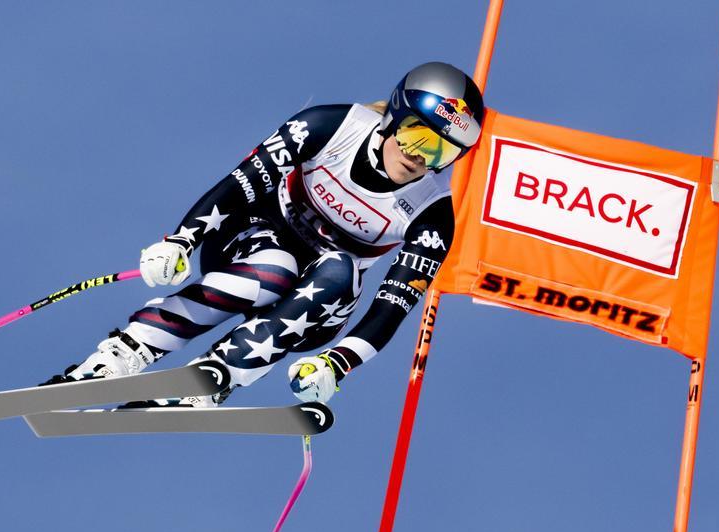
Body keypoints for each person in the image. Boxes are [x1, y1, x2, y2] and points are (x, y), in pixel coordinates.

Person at [48, 62, 484, 407]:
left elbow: (392, 307)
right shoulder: (330, 127)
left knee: (340, 268)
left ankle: (216, 376)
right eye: (415, 135)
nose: (419, 157)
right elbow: (242, 184)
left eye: (442, 150)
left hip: (318, 307)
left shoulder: (432, 214)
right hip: (247, 244)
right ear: (393, 117)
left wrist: (338, 363)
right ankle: (126, 352)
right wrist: (182, 240)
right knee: (276, 266)